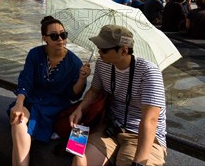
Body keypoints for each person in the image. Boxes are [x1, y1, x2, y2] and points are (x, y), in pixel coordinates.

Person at [69, 25, 167, 166]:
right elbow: (94, 91)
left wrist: (139, 163)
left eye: (104, 49)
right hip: (109, 128)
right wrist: (80, 109)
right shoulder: (103, 64)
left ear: (123, 50)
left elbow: (150, 120)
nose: (99, 52)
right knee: (79, 160)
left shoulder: (149, 72)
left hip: (140, 136)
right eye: (98, 47)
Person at [9, 16, 90, 166]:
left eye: (63, 34)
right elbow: (26, 80)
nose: (60, 39)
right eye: (54, 35)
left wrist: (81, 79)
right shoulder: (35, 54)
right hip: (32, 102)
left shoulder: (74, 62)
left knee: (19, 132)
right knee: (19, 121)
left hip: (56, 108)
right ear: (45, 38)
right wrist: (19, 103)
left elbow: (73, 95)